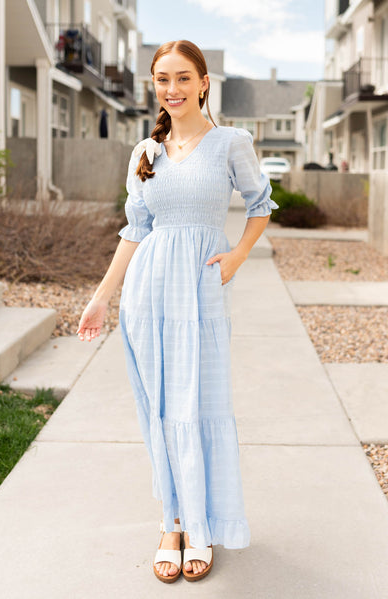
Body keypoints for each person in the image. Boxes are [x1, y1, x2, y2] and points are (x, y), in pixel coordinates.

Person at [77, 39, 278, 584]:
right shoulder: (145, 151)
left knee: (200, 405)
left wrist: (236, 256)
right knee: (160, 411)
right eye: (163, 79)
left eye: (184, 78)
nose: (173, 89)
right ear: (154, 85)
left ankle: (202, 526)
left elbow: (261, 205)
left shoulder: (232, 143)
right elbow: (134, 233)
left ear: (204, 82)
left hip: (201, 289)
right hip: (146, 295)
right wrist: (102, 296)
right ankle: (171, 523)